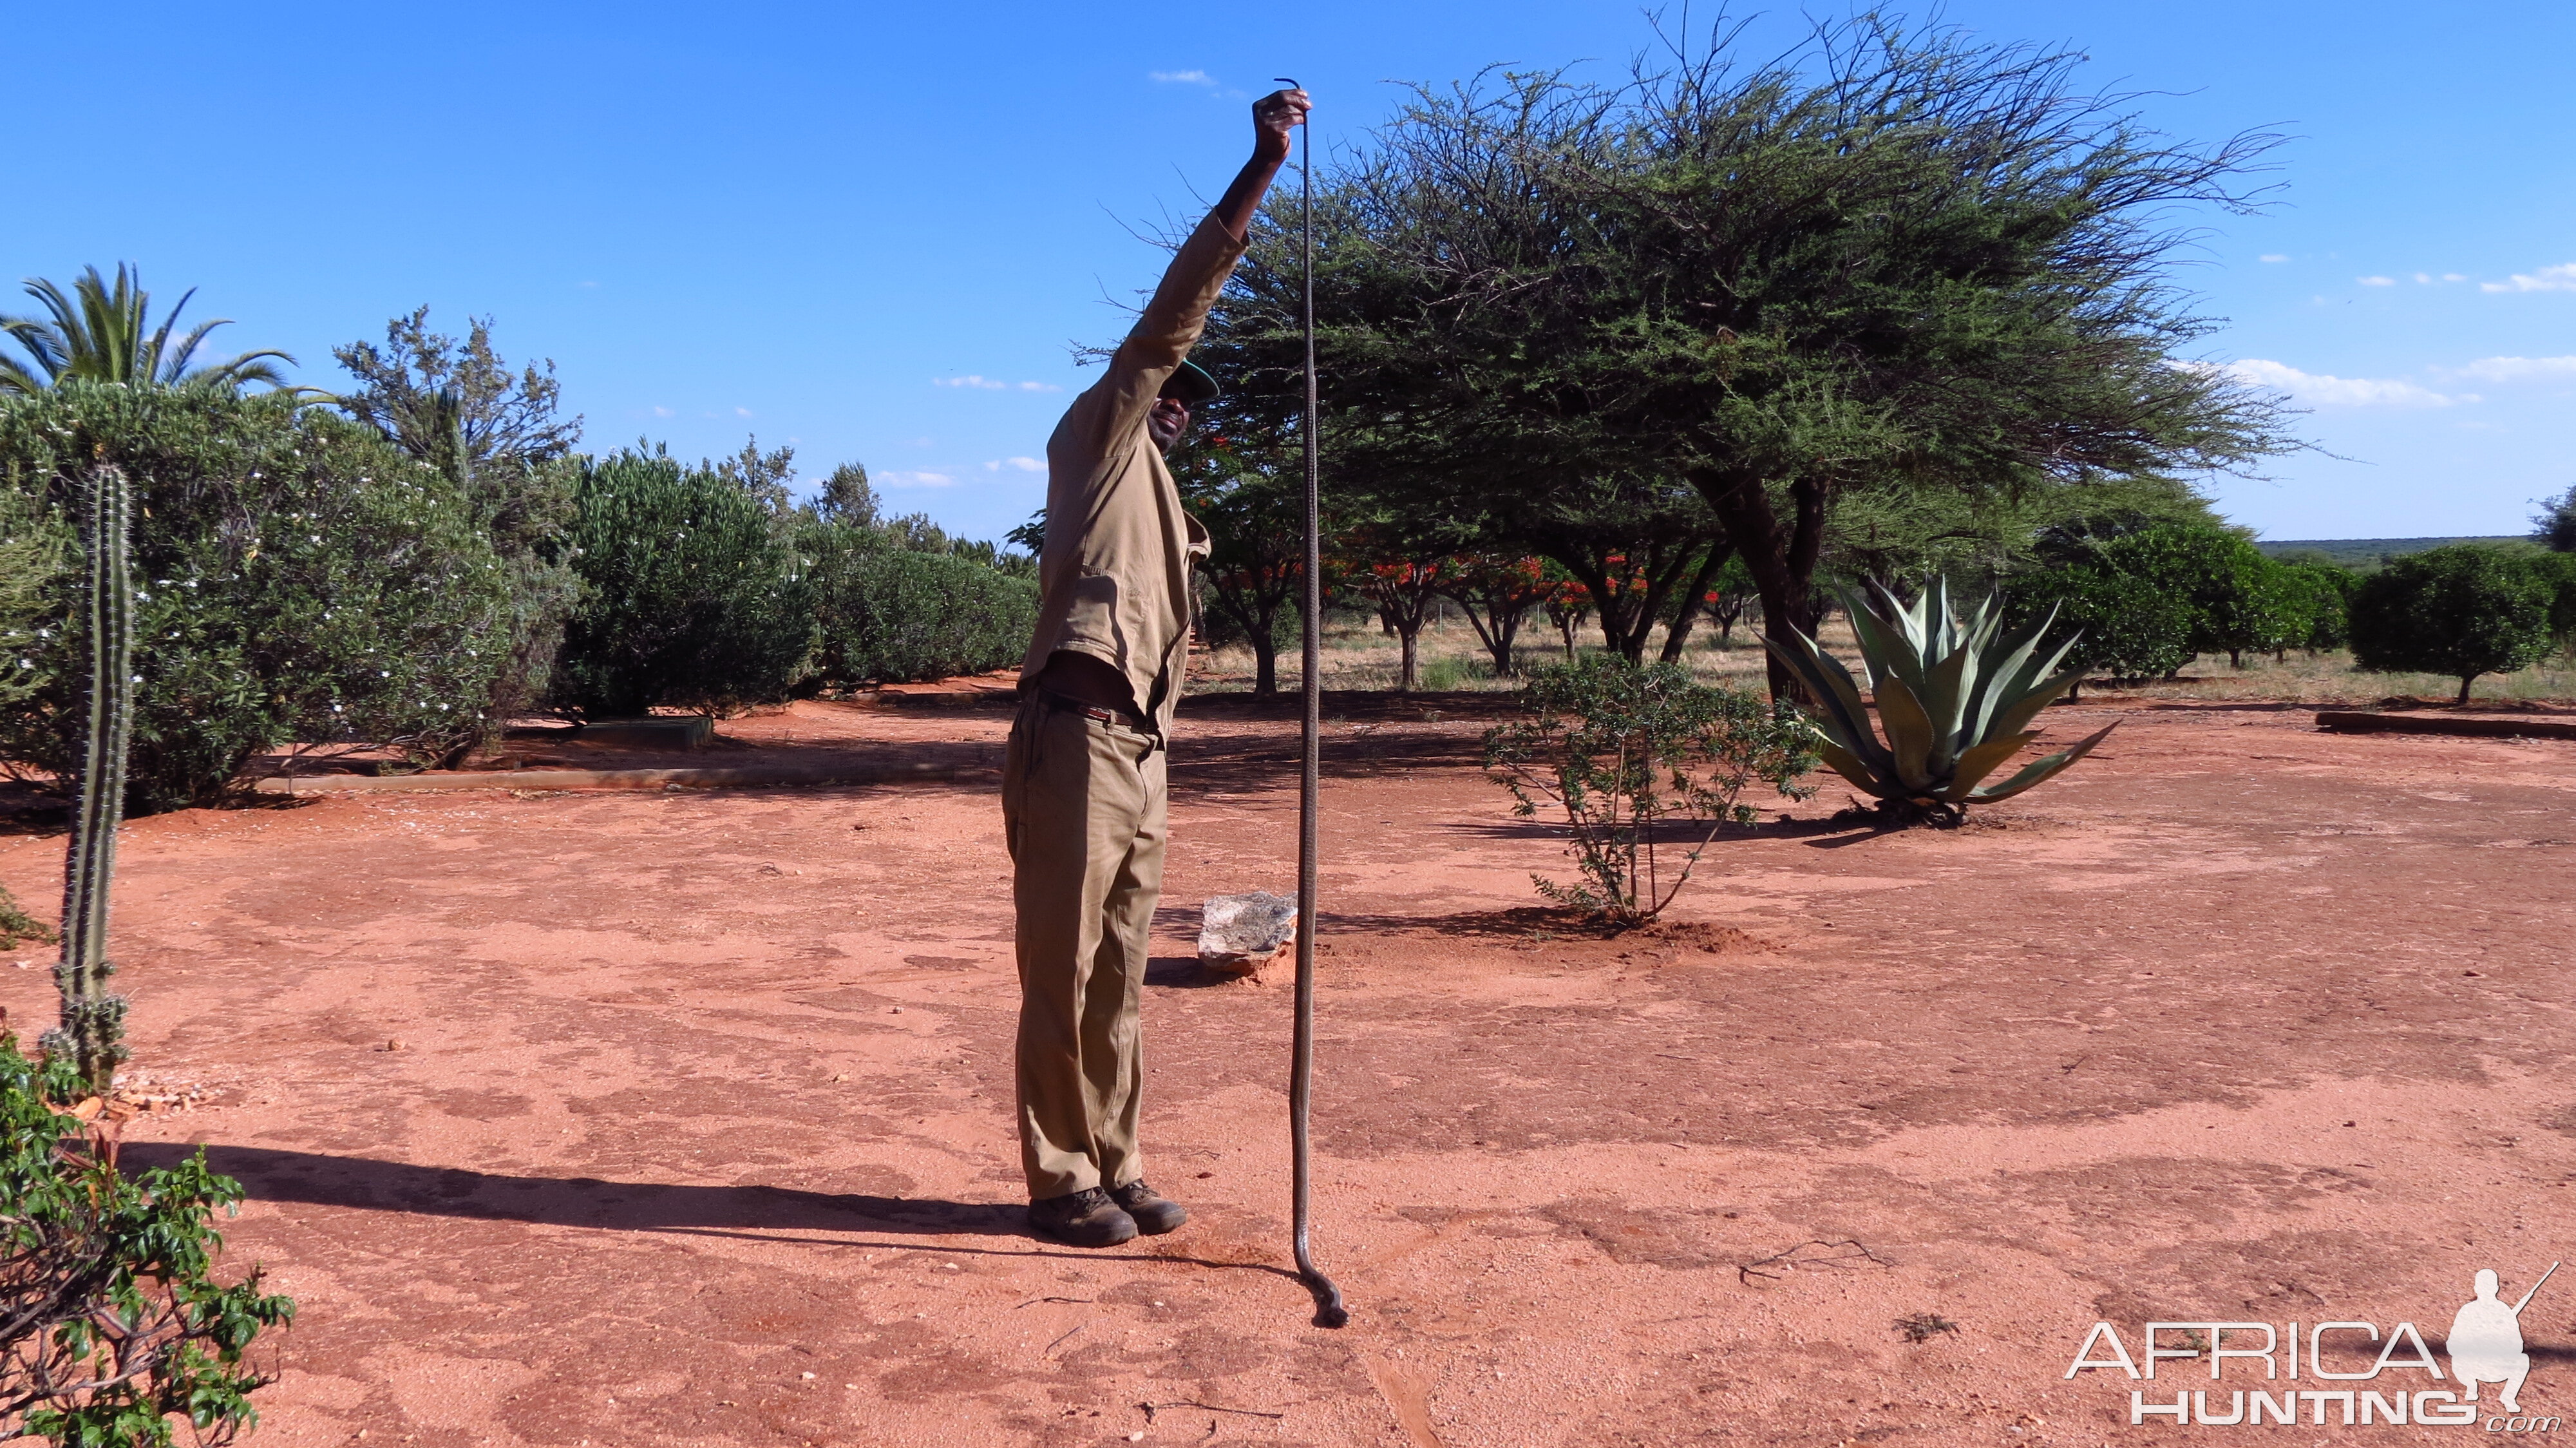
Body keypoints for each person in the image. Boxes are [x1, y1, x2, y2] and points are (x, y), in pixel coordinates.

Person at [1003, 86, 1310, 1247]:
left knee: (1119, 975)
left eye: (1193, 408)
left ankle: (1118, 1161)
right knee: (1063, 966)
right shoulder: (1096, 441)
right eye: (1171, 394)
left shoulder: (1167, 504)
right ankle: (1057, 1177)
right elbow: (1169, 322)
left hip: (1140, 750)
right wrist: (1258, 173)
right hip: (1073, 735)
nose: (1182, 409)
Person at [2448, 1268, 2538, 1414]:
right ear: (2476, 1288)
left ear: (2496, 1288)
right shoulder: (2467, 1310)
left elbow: (2517, 1346)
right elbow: (2452, 1344)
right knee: (2458, 1359)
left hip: (2498, 1367)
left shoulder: (2504, 1311)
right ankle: (2471, 1387)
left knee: (2523, 1359)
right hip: (2471, 1366)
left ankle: (2508, 1397)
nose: (2486, 1291)